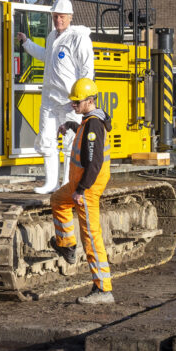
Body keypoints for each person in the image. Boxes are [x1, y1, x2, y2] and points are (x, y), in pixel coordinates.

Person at [17, 0, 94, 194]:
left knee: (69, 142)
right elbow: (46, 55)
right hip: (50, 99)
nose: (58, 20)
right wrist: (27, 43)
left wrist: (81, 97)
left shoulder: (78, 38)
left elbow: (87, 68)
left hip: (70, 101)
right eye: (55, 16)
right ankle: (50, 183)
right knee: (46, 139)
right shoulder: (52, 36)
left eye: (61, 16)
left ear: (70, 17)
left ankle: (67, 183)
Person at [50, 78, 114, 304]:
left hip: (86, 188)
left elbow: (94, 161)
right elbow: (87, 140)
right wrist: (70, 126)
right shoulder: (89, 122)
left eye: (77, 102)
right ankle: (67, 245)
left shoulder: (94, 124)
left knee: (91, 235)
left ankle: (103, 289)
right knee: (58, 200)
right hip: (78, 185)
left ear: (89, 101)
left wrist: (82, 189)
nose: (73, 106)